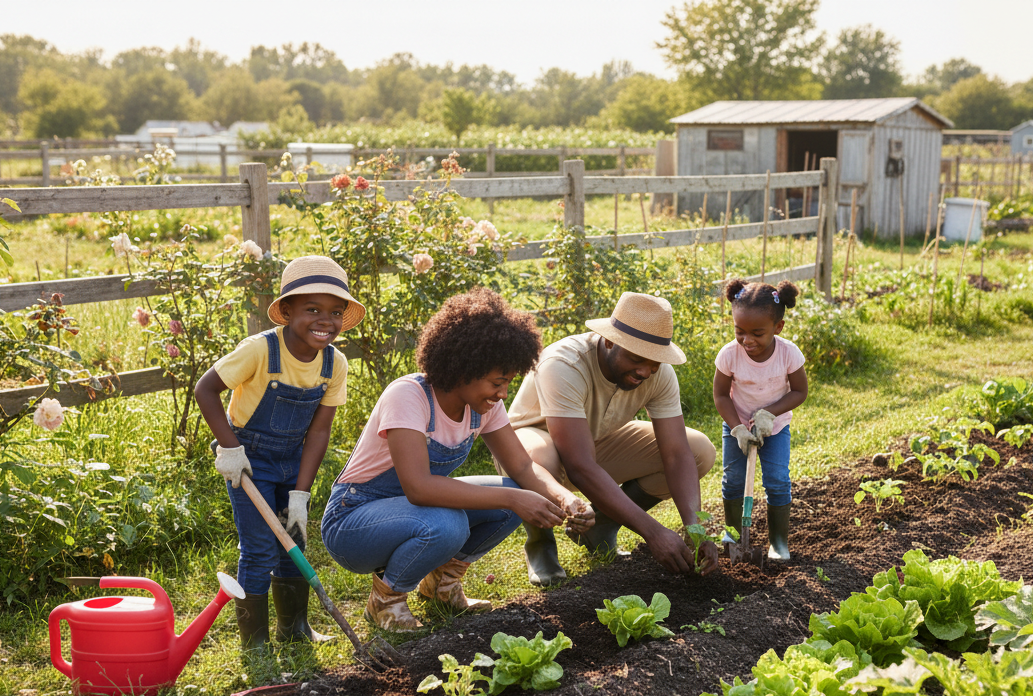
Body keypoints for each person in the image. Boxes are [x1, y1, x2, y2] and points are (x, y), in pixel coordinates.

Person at [320, 289, 593, 631]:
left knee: (514, 496)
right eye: (498, 382)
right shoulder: (409, 395)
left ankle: (441, 586)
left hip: (413, 510)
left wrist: (565, 498)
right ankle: (386, 601)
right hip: (353, 522)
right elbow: (419, 488)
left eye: (508, 382)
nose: (503, 393)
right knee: (451, 523)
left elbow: (523, 467)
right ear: (466, 369)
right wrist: (513, 497)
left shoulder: (485, 407)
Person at [194, 255, 363, 651]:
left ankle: (295, 628)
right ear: (286, 311)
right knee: (259, 549)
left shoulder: (333, 364)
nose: (325, 321)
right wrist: (231, 449)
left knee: (294, 543)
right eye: (313, 309)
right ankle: (255, 645)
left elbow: (319, 431)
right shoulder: (259, 350)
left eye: (335, 312)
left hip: (293, 461)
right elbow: (206, 390)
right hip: (250, 462)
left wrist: (301, 493)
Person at [508, 291, 719, 586]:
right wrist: (653, 532)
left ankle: (601, 526)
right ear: (609, 341)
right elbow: (579, 465)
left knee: (699, 450)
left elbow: (676, 454)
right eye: (636, 358)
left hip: (594, 441)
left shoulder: (659, 374)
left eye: (654, 363)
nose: (645, 371)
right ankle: (540, 546)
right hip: (536, 448)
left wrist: (696, 531)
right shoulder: (564, 363)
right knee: (542, 457)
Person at [713, 280, 808, 562]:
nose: (747, 340)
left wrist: (769, 413)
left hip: (774, 428)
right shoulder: (729, 355)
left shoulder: (788, 354)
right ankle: (732, 534)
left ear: (778, 327)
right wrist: (737, 428)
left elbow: (800, 391)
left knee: (777, 481)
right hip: (737, 425)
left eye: (757, 333)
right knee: (733, 480)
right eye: (739, 331)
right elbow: (721, 395)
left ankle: (778, 542)